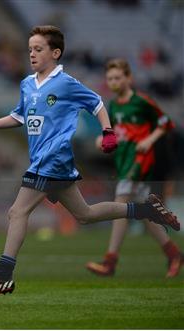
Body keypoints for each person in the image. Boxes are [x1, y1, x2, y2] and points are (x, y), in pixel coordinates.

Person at [0, 25, 180, 300]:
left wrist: (107, 131)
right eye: (30, 49)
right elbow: (19, 117)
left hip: (51, 159)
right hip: (49, 162)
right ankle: (143, 210)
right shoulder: (28, 84)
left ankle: (3, 277)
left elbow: (97, 103)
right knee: (85, 215)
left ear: (55, 53)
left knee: (17, 212)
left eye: (38, 49)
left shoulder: (65, 83)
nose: (32, 54)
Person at [86, 58, 182, 278]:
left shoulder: (141, 101)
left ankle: (110, 260)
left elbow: (166, 122)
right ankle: (174, 253)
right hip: (124, 160)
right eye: (110, 79)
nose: (113, 82)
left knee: (121, 202)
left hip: (140, 162)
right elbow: (118, 133)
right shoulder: (113, 105)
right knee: (143, 213)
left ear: (129, 78)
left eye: (118, 78)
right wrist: (103, 140)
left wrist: (150, 140)